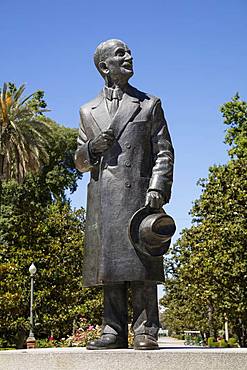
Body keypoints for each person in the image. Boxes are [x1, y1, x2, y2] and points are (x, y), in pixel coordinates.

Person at [75, 39, 174, 350]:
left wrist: (158, 186)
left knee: (143, 263)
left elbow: (164, 153)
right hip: (104, 196)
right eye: (121, 54)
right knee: (111, 265)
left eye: (129, 52)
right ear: (105, 67)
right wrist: (92, 148)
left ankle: (146, 330)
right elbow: (79, 161)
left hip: (139, 195)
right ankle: (112, 330)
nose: (129, 57)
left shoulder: (148, 103)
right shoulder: (87, 110)